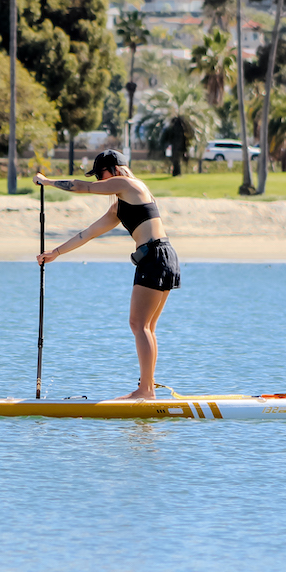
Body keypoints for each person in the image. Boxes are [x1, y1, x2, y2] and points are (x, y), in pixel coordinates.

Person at [34, 149, 180, 400]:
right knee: (147, 326)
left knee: (138, 324)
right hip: (162, 257)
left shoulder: (128, 184)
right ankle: (148, 388)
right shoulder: (120, 206)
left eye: (100, 174)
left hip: (155, 257)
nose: (100, 180)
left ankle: (145, 391)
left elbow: (82, 187)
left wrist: (47, 182)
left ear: (114, 169)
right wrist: (56, 252)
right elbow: (88, 233)